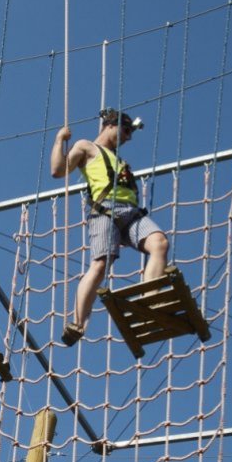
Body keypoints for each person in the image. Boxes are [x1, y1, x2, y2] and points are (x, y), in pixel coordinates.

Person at [49, 108, 169, 346]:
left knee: (160, 243)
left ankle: (149, 302)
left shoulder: (120, 160)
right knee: (101, 265)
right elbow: (58, 170)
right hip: (105, 210)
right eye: (126, 131)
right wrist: (59, 141)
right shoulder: (86, 147)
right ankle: (77, 323)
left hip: (131, 213)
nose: (128, 138)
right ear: (110, 125)